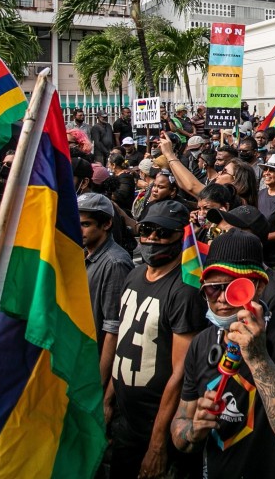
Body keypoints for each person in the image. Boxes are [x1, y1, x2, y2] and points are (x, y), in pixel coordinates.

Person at [171, 229, 275, 477]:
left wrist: (258, 357)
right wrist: (193, 430)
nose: (221, 299)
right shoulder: (200, 344)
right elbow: (180, 427)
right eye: (212, 289)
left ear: (259, 287)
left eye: (233, 288)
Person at [108, 200, 206, 479]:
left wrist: (157, 443)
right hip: (125, 419)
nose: (152, 238)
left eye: (163, 232)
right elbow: (123, 342)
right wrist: (108, 400)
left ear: (181, 236)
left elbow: (180, 374)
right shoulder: (134, 274)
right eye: (146, 230)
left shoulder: (184, 292)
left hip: (155, 425)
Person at [78, 192, 135, 389]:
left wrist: (100, 386)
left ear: (106, 224)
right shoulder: (84, 254)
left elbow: (114, 328)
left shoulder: (115, 263)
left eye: (85, 224)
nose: (78, 229)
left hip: (94, 370)